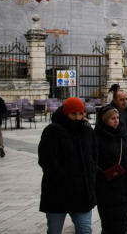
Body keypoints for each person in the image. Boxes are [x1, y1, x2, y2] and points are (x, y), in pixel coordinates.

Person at [38, 97, 97, 234]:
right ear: (66, 113)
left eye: (80, 114)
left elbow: (94, 155)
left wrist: (91, 174)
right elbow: (47, 160)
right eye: (73, 114)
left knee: (85, 229)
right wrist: (64, 179)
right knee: (54, 230)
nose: (77, 118)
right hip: (58, 192)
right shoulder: (53, 130)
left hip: (82, 193)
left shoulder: (87, 131)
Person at [94, 107, 127, 233]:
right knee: (110, 223)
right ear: (105, 120)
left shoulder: (124, 135)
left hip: (125, 185)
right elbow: (93, 161)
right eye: (112, 119)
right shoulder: (97, 138)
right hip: (107, 187)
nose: (116, 121)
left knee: (123, 221)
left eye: (117, 118)